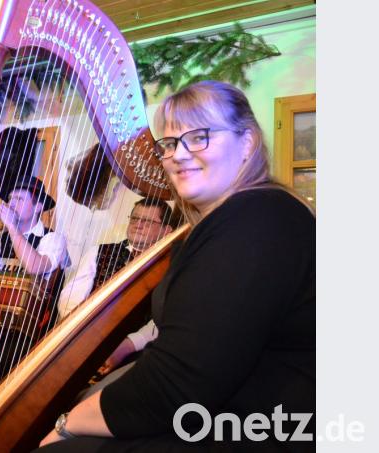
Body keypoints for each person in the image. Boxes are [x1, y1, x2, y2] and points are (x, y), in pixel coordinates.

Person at [37, 80, 314, 451]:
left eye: (199, 137)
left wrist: (67, 424)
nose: (178, 155)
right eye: (169, 144)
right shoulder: (233, 220)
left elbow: (180, 382)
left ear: (247, 142)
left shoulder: (257, 218)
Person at [57, 198, 179, 320]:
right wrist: (78, 324)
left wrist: (136, 339)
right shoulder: (98, 252)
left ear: (166, 230)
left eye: (147, 221)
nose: (138, 225)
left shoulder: (171, 265)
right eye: (135, 218)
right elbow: (70, 298)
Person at [0, 176, 70, 276]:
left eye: (19, 199)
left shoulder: (54, 239)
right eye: (10, 198)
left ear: (38, 207)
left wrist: (12, 226)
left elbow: (34, 267)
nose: (10, 204)